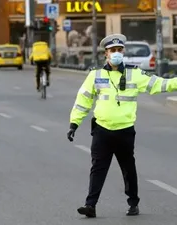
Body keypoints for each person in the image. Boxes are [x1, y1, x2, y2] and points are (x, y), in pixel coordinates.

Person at [67, 33, 177, 218]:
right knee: (98, 168)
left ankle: (133, 203)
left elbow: (160, 84)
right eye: (112, 50)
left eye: (119, 50)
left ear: (123, 52)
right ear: (106, 54)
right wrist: (74, 124)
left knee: (128, 169)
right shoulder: (96, 75)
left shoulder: (134, 74)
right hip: (102, 130)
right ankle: (90, 205)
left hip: (125, 131)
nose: (116, 53)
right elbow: (83, 102)